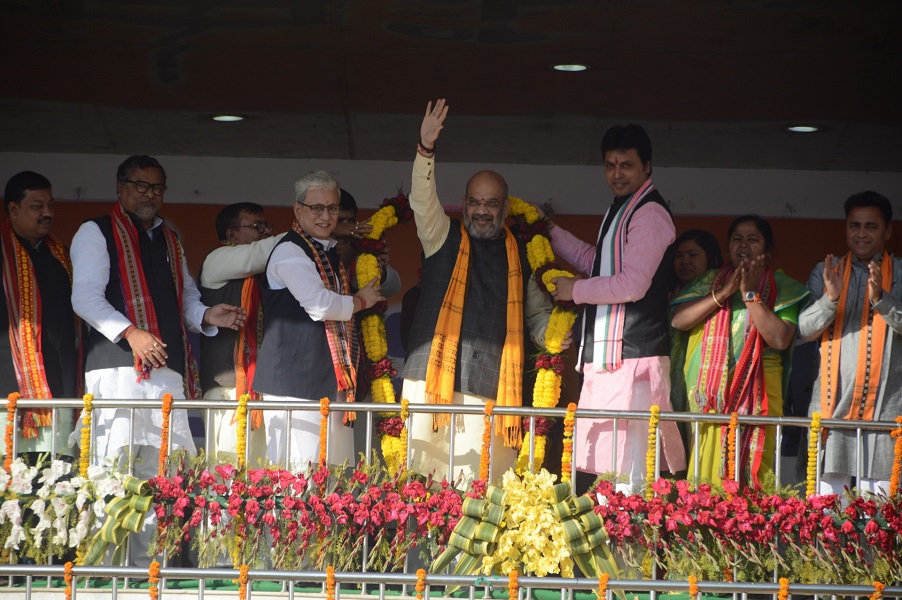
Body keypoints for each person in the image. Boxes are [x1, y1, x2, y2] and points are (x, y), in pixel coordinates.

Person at [69, 155, 245, 565]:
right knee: (113, 476)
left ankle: (154, 572)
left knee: (163, 480)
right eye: (141, 185)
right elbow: (85, 298)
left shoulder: (170, 239)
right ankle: (106, 574)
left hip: (166, 373)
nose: (150, 195)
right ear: (120, 187)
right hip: (117, 373)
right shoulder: (94, 232)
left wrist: (205, 315)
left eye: (157, 188)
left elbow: (184, 300)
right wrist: (130, 332)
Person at [401, 99, 554, 484]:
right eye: (474, 202)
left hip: (492, 389)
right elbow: (421, 200)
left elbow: (537, 316)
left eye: (491, 203)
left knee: (481, 496)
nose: (481, 211)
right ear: (464, 204)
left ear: (505, 208)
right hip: (428, 385)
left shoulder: (520, 254)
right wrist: (425, 149)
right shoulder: (441, 236)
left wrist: (554, 333)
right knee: (422, 489)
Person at [541, 123, 685, 495]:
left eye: (627, 165)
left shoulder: (649, 213)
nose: (617, 174)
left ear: (647, 167)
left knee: (630, 477)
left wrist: (576, 290)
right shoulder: (622, 208)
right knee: (611, 473)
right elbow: (598, 262)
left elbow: (632, 283)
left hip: (634, 361)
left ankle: (631, 550)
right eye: (610, 165)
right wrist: (548, 231)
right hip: (616, 359)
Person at [253, 170, 384, 469]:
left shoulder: (326, 252)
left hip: (328, 385)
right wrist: (361, 301)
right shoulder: (290, 250)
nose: (326, 216)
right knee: (298, 482)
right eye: (317, 208)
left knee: (331, 484)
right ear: (298, 209)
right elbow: (320, 306)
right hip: (294, 387)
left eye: (332, 208)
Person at [671, 215, 809, 489]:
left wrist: (749, 295)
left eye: (752, 239)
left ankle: (752, 528)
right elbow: (678, 320)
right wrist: (723, 293)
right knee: (705, 478)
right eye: (737, 239)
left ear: (767, 252)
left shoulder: (785, 287)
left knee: (756, 475)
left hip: (760, 394)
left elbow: (780, 339)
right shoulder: (709, 281)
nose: (743, 244)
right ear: (727, 249)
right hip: (710, 397)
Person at [798, 191, 901, 496]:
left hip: (886, 413)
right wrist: (830, 298)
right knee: (829, 514)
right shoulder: (826, 271)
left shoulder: (900, 273)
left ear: (888, 231)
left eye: (871, 226)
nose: (861, 233)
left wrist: (882, 299)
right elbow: (804, 331)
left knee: (880, 515)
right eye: (854, 225)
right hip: (833, 412)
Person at [1, 171, 81, 462]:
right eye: (37, 206)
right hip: (9, 384)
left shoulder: (60, 255)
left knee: (59, 475)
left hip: (58, 381)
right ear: (13, 209)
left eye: (51, 205)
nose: (47, 213)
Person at [199, 202, 283, 464]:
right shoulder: (217, 259)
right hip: (227, 387)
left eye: (266, 225)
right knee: (225, 472)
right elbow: (256, 254)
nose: (265, 232)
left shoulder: (268, 270)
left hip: (263, 388)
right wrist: (306, 231)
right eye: (257, 226)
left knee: (266, 471)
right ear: (232, 234)